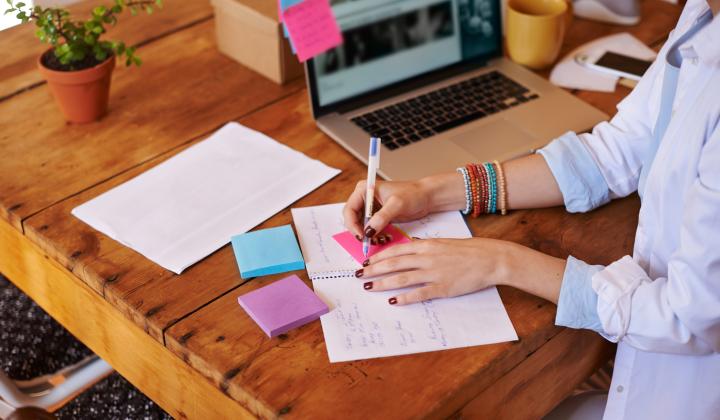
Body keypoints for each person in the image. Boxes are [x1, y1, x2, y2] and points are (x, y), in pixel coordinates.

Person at [342, 0, 720, 418]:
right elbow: (617, 150)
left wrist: (502, 261)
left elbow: (689, 317)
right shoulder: (702, 15)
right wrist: (433, 191)